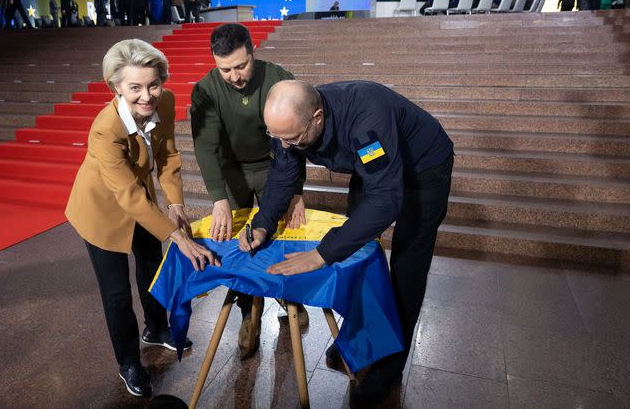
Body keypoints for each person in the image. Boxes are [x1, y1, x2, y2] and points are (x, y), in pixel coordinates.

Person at [240, 79, 454, 404]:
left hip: (422, 171)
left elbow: (385, 200)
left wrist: (322, 254)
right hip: (370, 169)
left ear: (318, 117)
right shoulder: (288, 125)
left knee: (406, 269)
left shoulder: (366, 119)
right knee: (360, 256)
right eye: (277, 137)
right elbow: (283, 173)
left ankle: (388, 368)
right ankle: (359, 340)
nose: (285, 146)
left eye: (293, 138)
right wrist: (263, 223)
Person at [66, 39, 220, 398]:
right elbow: (127, 195)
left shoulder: (164, 102)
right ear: (116, 87)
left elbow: (167, 155)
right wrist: (179, 237)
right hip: (101, 210)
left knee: (152, 268)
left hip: (142, 204)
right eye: (134, 87)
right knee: (117, 295)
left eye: (153, 84)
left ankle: (156, 328)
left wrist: (176, 204)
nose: (146, 96)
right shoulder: (105, 128)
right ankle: (128, 362)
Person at [190, 24, 308, 358]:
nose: (234, 76)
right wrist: (218, 199)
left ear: (252, 50)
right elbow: (205, 147)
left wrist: (296, 190)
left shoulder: (279, 78)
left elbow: (295, 139)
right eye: (225, 69)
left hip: (276, 166)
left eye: (241, 66)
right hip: (233, 171)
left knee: (281, 232)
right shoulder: (206, 90)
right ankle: (247, 313)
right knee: (239, 242)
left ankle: (291, 299)